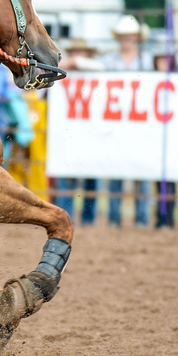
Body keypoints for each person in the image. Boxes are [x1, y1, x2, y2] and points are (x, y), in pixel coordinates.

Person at [100, 15, 153, 228]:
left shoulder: (147, 60)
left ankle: (141, 218)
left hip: (140, 123)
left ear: (137, 37)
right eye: (124, 36)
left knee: (141, 171)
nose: (127, 39)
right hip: (117, 122)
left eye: (130, 35)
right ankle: (114, 218)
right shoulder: (109, 61)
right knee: (116, 171)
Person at [54, 38, 104, 225]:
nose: (77, 56)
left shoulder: (94, 71)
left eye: (81, 52)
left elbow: (99, 66)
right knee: (67, 177)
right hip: (69, 133)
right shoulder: (63, 76)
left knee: (91, 177)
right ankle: (66, 217)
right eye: (75, 52)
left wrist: (73, 63)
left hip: (92, 133)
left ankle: (87, 218)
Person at [151, 33, 178, 229]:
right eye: (160, 58)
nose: (163, 62)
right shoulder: (149, 79)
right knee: (157, 179)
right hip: (154, 133)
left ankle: (169, 216)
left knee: (172, 178)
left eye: (166, 58)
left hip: (175, 134)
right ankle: (160, 216)